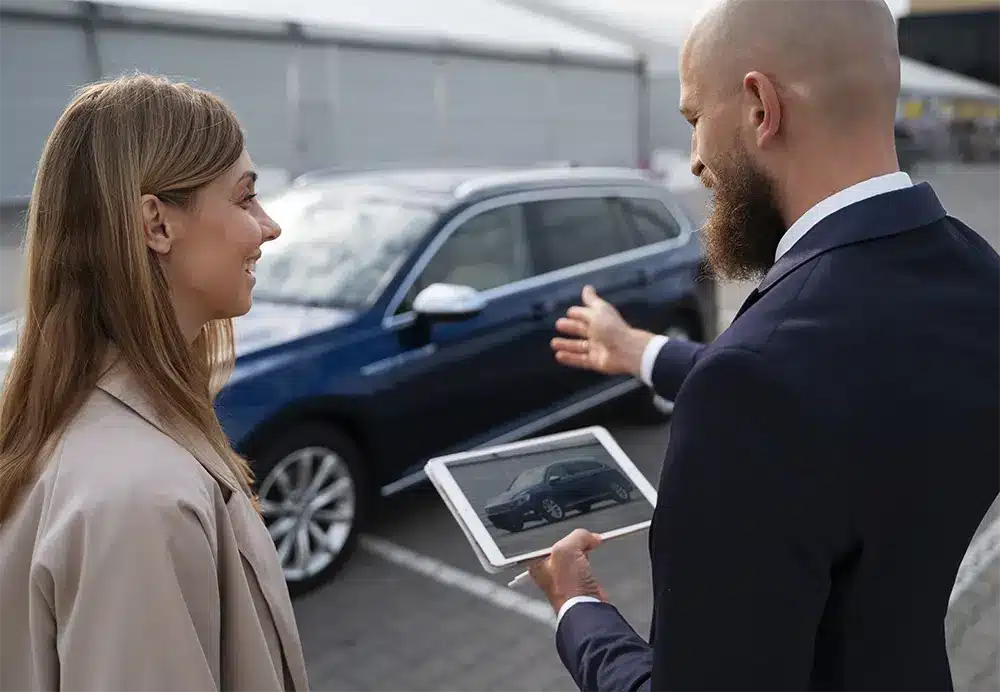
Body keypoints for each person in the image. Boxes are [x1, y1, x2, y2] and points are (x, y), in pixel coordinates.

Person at [528, 0, 1000, 690]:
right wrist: (639, 351)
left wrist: (578, 610)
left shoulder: (755, 383)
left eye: (694, 120)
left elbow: (778, 391)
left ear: (759, 106)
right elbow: (840, 393)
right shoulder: (977, 277)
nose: (694, 161)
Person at [0, 75, 309, 691]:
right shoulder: (139, 501)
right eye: (245, 198)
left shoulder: (86, 420)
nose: (268, 227)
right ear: (156, 225)